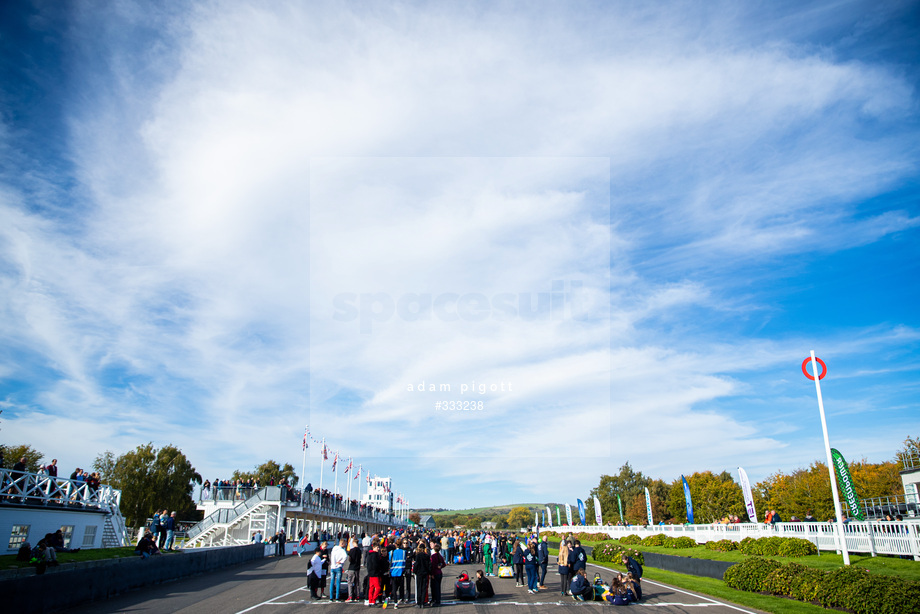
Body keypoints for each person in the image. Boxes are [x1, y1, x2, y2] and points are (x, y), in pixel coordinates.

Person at [365, 539, 386, 606]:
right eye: (377, 547)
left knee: (371, 587)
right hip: (375, 573)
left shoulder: (369, 554)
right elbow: (375, 564)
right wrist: (379, 570)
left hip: (370, 573)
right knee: (378, 587)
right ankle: (373, 600)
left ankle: (370, 600)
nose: (378, 549)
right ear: (373, 547)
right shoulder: (375, 555)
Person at [389, 537, 407, 603]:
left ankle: (395, 601)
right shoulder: (404, 552)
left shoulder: (392, 552)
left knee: (394, 587)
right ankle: (401, 598)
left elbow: (389, 561)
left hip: (393, 572)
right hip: (401, 571)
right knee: (400, 586)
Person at [414, 541, 430, 607]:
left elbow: (416, 564)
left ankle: (419, 602)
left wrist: (415, 571)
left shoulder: (418, 556)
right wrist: (429, 572)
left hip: (419, 573)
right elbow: (429, 565)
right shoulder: (427, 556)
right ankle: (423, 601)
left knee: (419, 587)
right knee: (424, 587)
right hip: (425, 572)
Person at [345, 537, 362, 603]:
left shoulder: (352, 550)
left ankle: (350, 596)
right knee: (357, 582)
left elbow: (350, 558)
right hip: (357, 568)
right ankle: (357, 596)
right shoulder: (359, 550)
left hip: (352, 567)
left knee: (350, 582)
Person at [430, 541, 447, 606]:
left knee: (434, 588)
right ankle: (437, 599)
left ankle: (436, 600)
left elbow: (433, 565)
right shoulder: (440, 556)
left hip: (435, 573)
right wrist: (440, 567)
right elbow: (444, 564)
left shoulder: (433, 556)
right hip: (439, 573)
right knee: (438, 587)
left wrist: (432, 574)